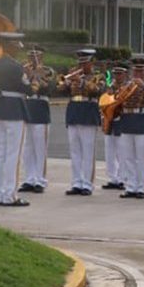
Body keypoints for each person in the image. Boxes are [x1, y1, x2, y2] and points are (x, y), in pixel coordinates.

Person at [0, 35, 31, 206]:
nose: (18, 49)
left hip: (0, 109)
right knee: (13, 154)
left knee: (0, 153)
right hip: (14, 110)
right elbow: (26, 88)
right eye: (16, 46)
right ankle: (10, 195)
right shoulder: (16, 66)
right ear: (10, 46)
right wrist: (32, 80)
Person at [57, 49, 105, 196]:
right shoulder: (74, 75)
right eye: (80, 63)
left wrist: (81, 81)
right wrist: (66, 81)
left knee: (87, 151)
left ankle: (87, 184)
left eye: (85, 63)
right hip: (74, 113)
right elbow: (60, 89)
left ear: (91, 63)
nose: (82, 66)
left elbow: (98, 90)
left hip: (88, 113)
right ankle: (76, 182)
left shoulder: (98, 76)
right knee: (75, 151)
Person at [118, 57, 144, 199]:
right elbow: (117, 100)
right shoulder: (125, 85)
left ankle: (141, 187)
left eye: (141, 71)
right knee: (128, 157)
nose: (138, 74)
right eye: (136, 71)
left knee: (141, 157)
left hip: (142, 119)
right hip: (127, 120)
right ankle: (131, 186)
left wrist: (143, 86)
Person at [18, 48, 54, 194]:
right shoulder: (24, 71)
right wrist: (25, 75)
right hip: (28, 107)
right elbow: (22, 88)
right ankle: (29, 179)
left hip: (40, 108)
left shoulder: (47, 71)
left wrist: (36, 75)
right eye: (30, 56)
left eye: (36, 56)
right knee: (28, 148)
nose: (32, 59)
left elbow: (48, 88)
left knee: (40, 148)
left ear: (41, 57)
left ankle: (40, 180)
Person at [101, 63, 129, 191]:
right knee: (109, 151)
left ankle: (123, 178)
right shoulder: (109, 87)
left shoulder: (127, 87)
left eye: (120, 74)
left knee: (122, 151)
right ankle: (113, 178)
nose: (117, 76)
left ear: (125, 74)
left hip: (121, 119)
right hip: (109, 120)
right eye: (116, 74)